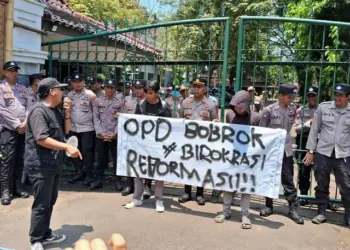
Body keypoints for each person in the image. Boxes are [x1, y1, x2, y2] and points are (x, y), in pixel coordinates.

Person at [25, 77, 82, 250]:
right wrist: (67, 147)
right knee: (41, 203)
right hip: (40, 165)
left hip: (53, 164)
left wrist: (66, 113)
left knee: (50, 201)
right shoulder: (38, 112)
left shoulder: (54, 110)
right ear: (52, 92)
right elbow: (42, 139)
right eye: (60, 89)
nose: (63, 92)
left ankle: (46, 233)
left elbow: (65, 130)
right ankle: (36, 240)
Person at [304, 83, 350, 227]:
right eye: (336, 94)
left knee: (346, 185)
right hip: (323, 152)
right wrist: (311, 151)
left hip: (343, 153)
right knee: (322, 182)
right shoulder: (324, 108)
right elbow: (314, 130)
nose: (337, 98)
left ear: (348, 97)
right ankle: (322, 212)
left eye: (341, 95)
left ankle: (348, 215)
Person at [214, 90, 260, 228]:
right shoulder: (229, 114)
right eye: (236, 106)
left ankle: (245, 215)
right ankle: (226, 211)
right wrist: (217, 124)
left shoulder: (256, 118)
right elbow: (226, 133)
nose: (238, 109)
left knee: (245, 188)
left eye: (240, 106)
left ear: (246, 105)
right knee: (228, 185)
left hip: (248, 158)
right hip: (231, 157)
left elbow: (261, 138)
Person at [259, 83, 304, 224]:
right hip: (271, 151)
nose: (292, 99)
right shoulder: (268, 110)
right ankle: (268, 206)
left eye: (293, 96)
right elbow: (261, 131)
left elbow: (294, 126)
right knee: (270, 178)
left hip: (286, 150)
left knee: (288, 179)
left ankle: (292, 209)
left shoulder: (293, 110)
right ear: (282, 96)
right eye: (290, 96)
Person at [125, 80, 172, 212]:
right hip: (142, 145)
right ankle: (136, 198)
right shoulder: (141, 105)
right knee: (138, 172)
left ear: (157, 93)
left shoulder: (164, 106)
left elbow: (170, 126)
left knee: (158, 173)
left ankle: (159, 199)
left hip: (158, 146)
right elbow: (136, 124)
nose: (147, 95)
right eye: (146, 92)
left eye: (150, 93)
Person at [178, 78, 218, 206]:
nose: (196, 88)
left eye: (199, 86)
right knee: (187, 167)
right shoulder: (185, 102)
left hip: (203, 143)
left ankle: (200, 194)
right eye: (194, 86)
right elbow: (179, 120)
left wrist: (216, 123)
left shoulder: (211, 105)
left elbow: (216, 123)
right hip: (187, 142)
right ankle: (187, 192)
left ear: (205, 88)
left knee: (201, 168)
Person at [0, 61, 29, 206]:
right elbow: (2, 110)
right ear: (5, 72)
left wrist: (25, 122)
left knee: (20, 159)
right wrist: (17, 124)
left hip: (23, 130)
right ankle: (5, 191)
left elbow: (30, 106)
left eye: (16, 70)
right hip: (8, 130)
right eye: (11, 70)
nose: (14, 73)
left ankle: (17, 188)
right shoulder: (1, 88)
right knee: (7, 161)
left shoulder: (23, 89)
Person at [91, 79, 123, 190]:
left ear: (115, 89)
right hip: (101, 135)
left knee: (116, 158)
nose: (109, 90)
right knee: (100, 158)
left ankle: (117, 180)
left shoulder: (119, 102)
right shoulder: (98, 101)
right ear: (104, 88)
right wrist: (100, 133)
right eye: (108, 87)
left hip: (115, 136)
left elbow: (121, 120)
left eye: (112, 87)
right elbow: (95, 118)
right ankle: (98, 179)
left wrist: (115, 134)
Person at [66, 73, 96, 186]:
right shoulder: (69, 95)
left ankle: (88, 174)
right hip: (74, 128)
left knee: (86, 151)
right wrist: (67, 129)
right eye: (75, 82)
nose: (77, 84)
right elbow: (67, 112)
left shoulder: (90, 94)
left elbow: (96, 112)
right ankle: (79, 172)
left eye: (80, 81)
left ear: (84, 82)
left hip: (87, 128)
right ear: (72, 83)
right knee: (74, 151)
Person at [294, 87, 318, 200]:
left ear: (317, 96)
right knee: (304, 170)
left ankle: (322, 198)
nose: (311, 98)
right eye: (309, 96)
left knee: (321, 171)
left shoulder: (323, 110)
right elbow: (297, 129)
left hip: (320, 142)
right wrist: (309, 123)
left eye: (313, 95)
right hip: (304, 141)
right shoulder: (301, 111)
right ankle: (303, 195)